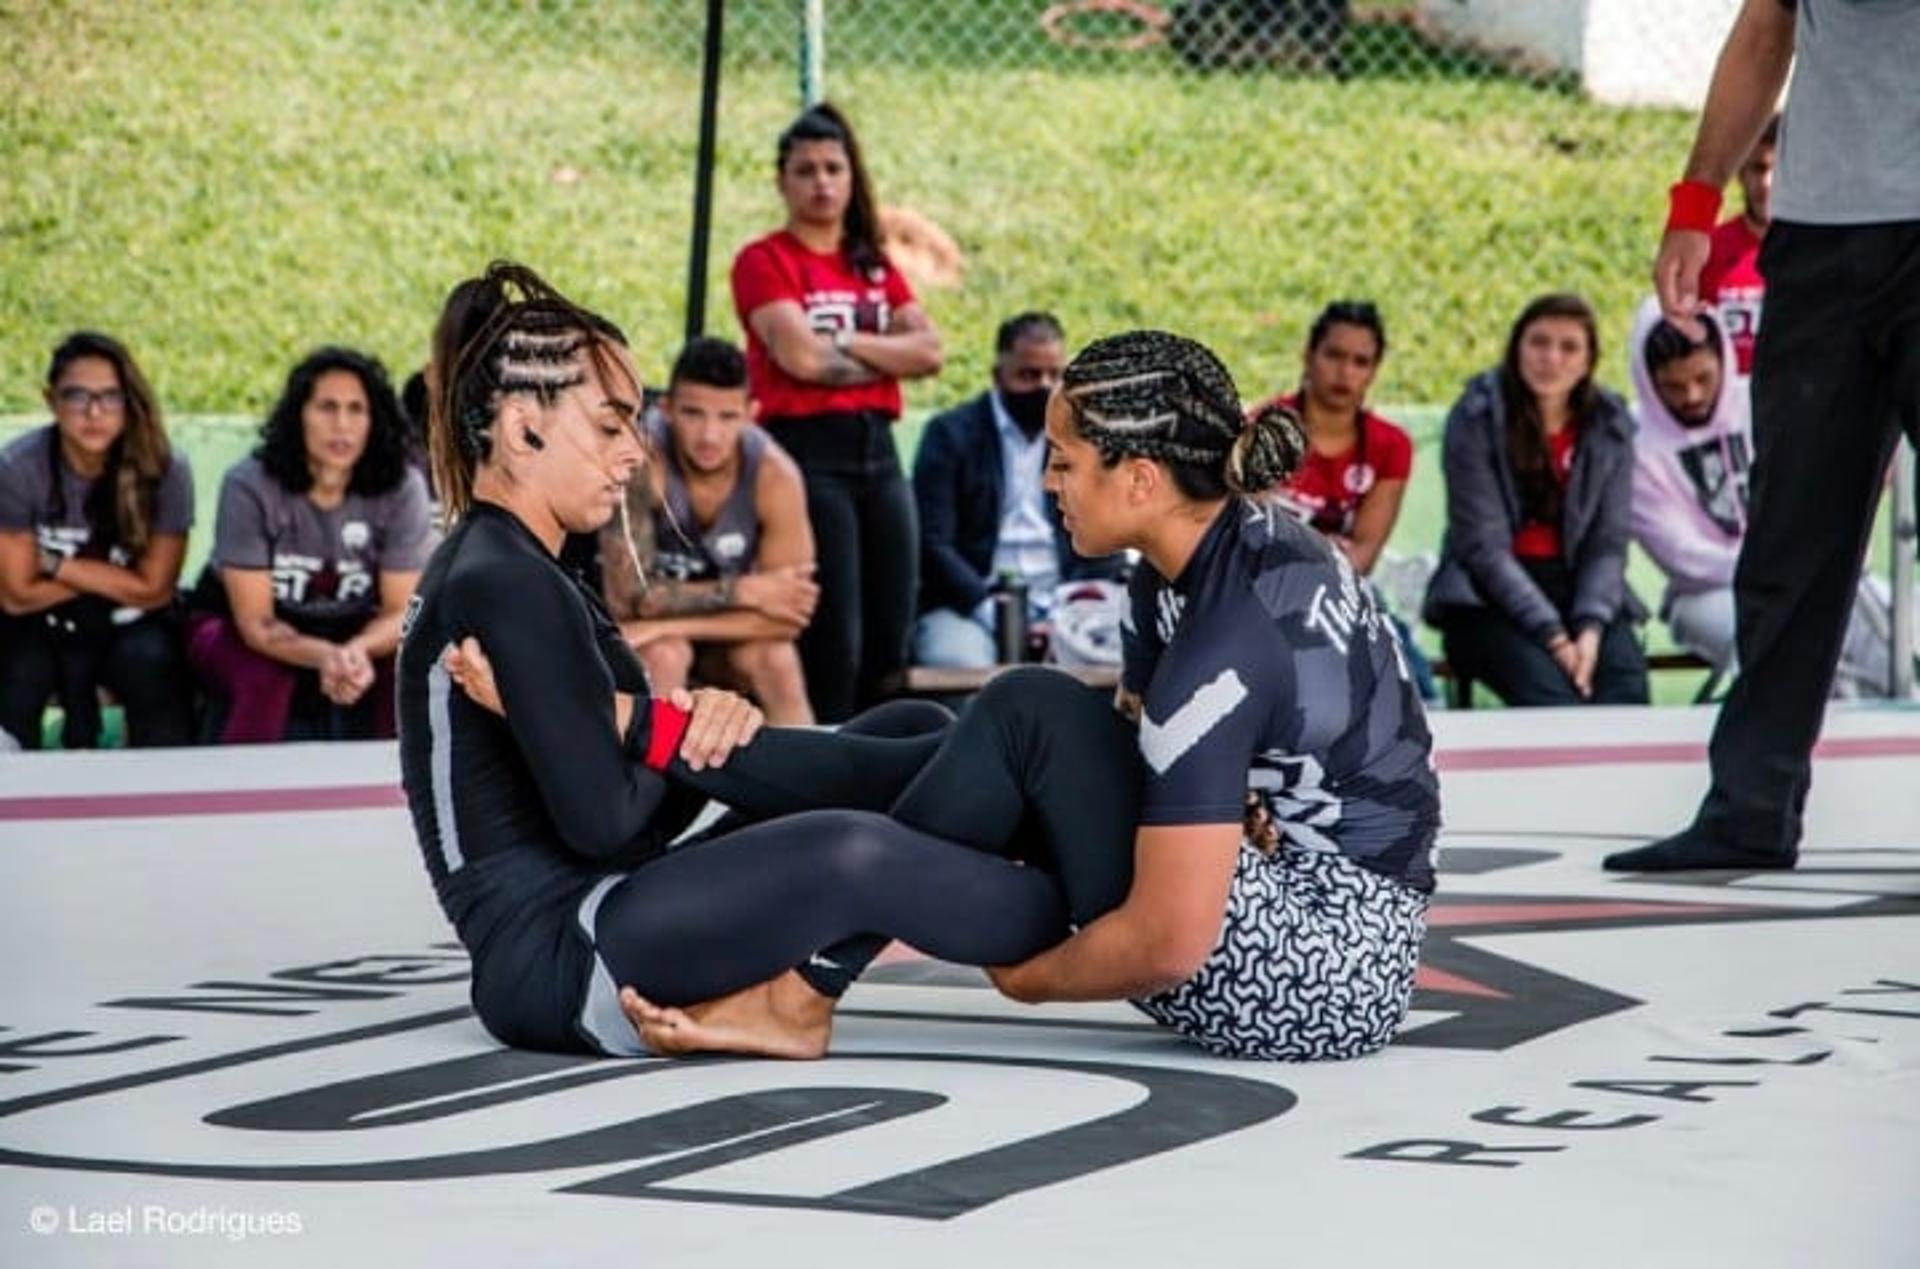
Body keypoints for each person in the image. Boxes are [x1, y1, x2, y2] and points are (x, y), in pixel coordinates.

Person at [621, 331, 1441, 1063]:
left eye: (1065, 460)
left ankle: (800, 986)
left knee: (1023, 714)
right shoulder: (1200, 558)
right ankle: (651, 754)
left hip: (1322, 979)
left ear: (1142, 478)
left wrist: (1033, 981)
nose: (1048, 481)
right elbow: (1134, 755)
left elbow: (1169, 941)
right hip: (1308, 917)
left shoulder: (1221, 643)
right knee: (954, 751)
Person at [399, 260, 1071, 1060]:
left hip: (613, 902)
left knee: (914, 725)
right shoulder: (500, 578)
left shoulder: (534, 562)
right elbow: (603, 823)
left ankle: (1013, 807)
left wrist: (671, 734)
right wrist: (679, 726)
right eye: (612, 426)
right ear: (521, 429)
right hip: (562, 956)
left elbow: (622, 793)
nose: (635, 455)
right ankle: (1059, 882)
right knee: (853, 849)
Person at [1609, 0, 1919, 873]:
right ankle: (1751, 805)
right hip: (1820, 239)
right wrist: (1696, 199)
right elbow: (1765, 23)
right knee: (1791, 536)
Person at [731, 102, 943, 720]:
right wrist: (882, 355)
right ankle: (830, 768)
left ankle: (884, 763)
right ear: (782, 180)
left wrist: (844, 344)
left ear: (852, 178)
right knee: (835, 637)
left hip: (877, 449)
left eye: (833, 168)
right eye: (806, 170)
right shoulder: (764, 260)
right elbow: (801, 360)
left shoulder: (872, 264)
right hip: (805, 453)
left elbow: (929, 352)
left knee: (890, 627)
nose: (822, 182)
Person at [188, 347, 434, 743]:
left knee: (408, 672)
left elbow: (399, 612)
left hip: (355, 626)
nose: (342, 425)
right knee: (265, 680)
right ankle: (241, 796)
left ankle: (401, 798)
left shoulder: (403, 487)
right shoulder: (250, 484)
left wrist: (356, 651)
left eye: (357, 409)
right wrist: (327, 657)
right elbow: (256, 623)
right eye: (327, 407)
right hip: (239, 623)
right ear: (298, 415)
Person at [1422, 294, 1650, 707]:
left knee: (1625, 689)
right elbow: (1482, 548)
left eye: (1569, 347)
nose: (1552, 358)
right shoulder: (1476, 416)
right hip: (1486, 596)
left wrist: (1590, 631)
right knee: (1552, 696)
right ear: (1517, 347)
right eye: (1539, 343)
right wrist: (1556, 638)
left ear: (1588, 361)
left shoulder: (1609, 422)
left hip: (1579, 587)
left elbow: (1608, 542)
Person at [598, 336, 819, 725]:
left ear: (751, 413)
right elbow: (628, 600)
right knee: (665, 654)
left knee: (777, 660)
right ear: (666, 409)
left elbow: (789, 617)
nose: (709, 435)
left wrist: (663, 622)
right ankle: (653, 781)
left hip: (715, 637)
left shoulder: (775, 476)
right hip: (659, 641)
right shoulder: (641, 462)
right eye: (693, 413)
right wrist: (747, 591)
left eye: (727, 417)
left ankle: (810, 780)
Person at [0, 332, 195, 749]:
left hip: (131, 622)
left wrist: (53, 564)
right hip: (36, 622)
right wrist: (118, 578)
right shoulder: (18, 467)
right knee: (20, 671)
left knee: (153, 664)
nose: (94, 412)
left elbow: (155, 590)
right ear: (51, 400)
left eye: (110, 397)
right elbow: (16, 595)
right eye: (77, 397)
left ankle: (158, 802)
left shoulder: (164, 468)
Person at [910, 311, 1125, 668]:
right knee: (958, 662)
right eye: (1028, 375)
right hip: (970, 601)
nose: (1043, 386)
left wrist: (1071, 603)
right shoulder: (951, 435)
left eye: (1054, 375)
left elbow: (1110, 533)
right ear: (998, 375)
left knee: (1127, 652)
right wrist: (987, 608)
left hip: (1069, 599)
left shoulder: (1087, 439)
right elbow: (933, 544)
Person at [1250, 300, 1435, 700]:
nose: (1345, 372)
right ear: (1308, 355)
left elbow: (1365, 551)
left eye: (1360, 361)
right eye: (1334, 355)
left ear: (1373, 371)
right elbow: (1247, 535)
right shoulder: (1264, 427)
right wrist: (1319, 552)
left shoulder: (1391, 446)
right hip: (1263, 592)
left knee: (1414, 683)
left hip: (1345, 592)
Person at [1698, 114, 1777, 379]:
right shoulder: (1708, 249)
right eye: (1758, 168)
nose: (1767, 183)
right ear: (1740, 173)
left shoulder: (1819, 254)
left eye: (1779, 170)